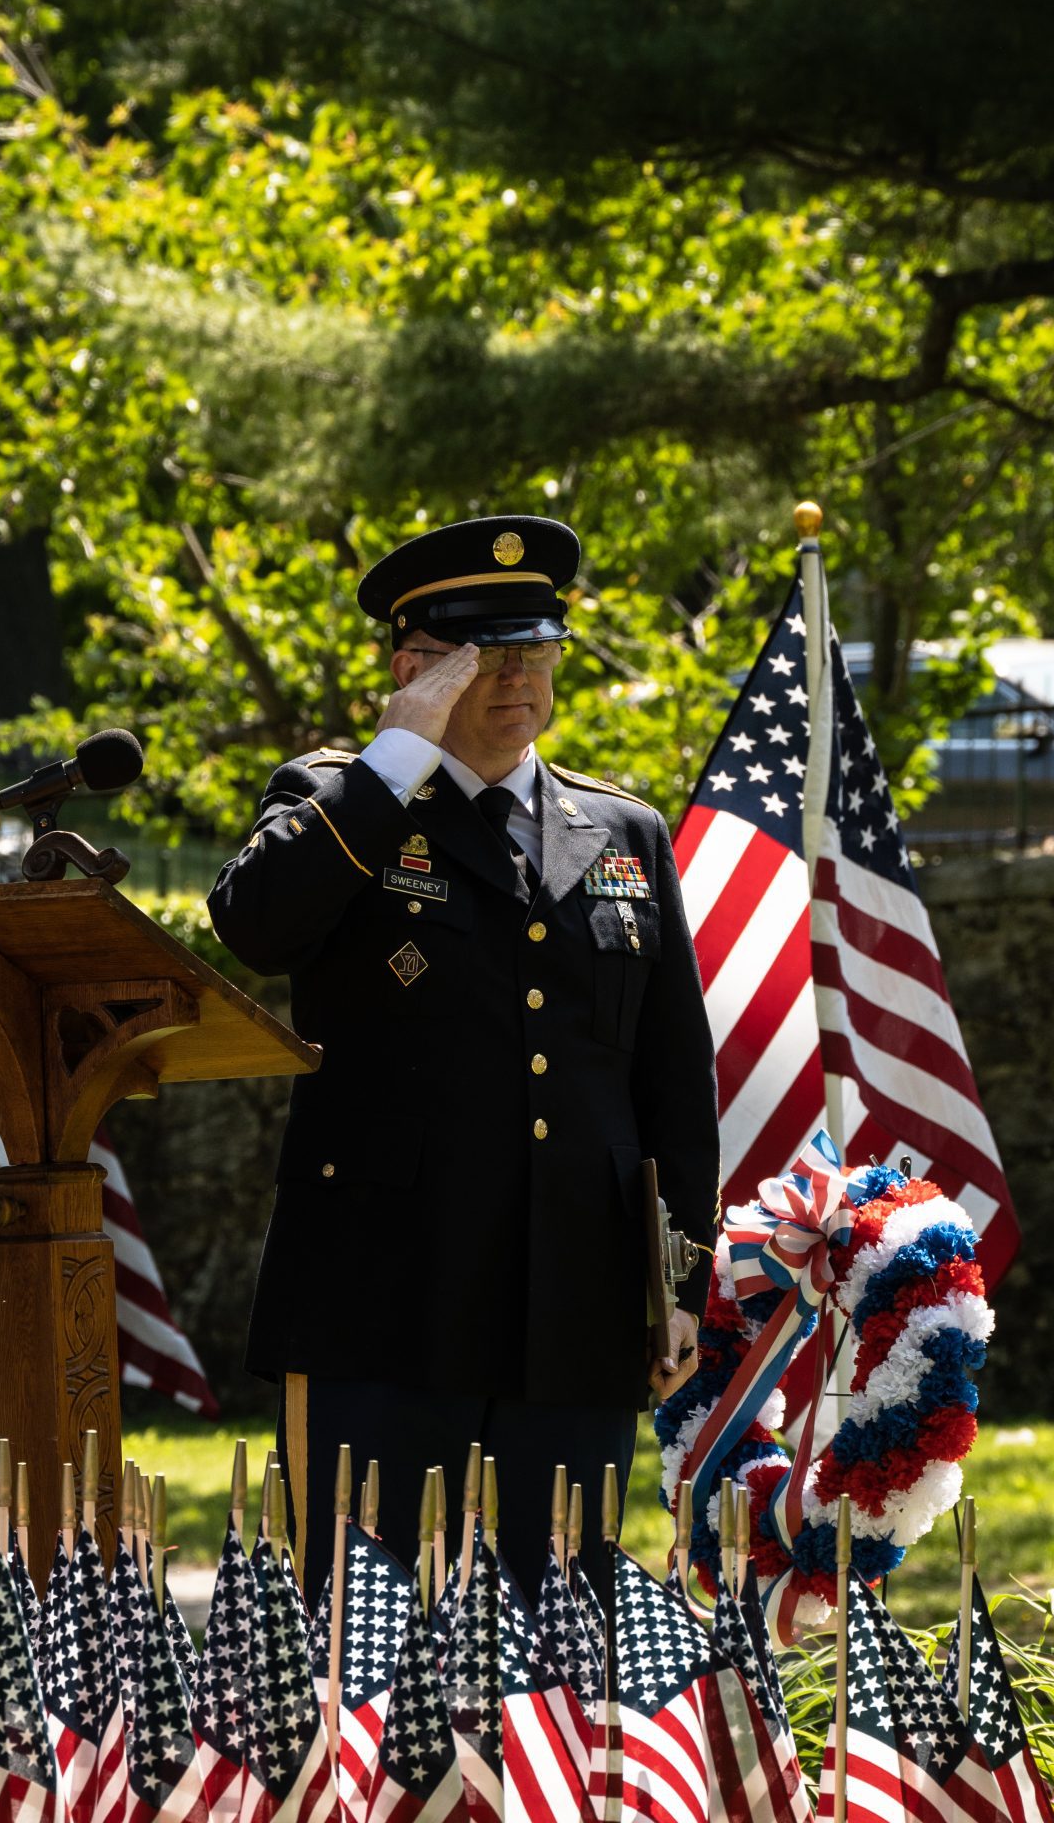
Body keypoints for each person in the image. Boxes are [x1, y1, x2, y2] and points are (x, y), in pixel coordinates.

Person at [207, 514, 719, 1610]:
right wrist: (394, 753)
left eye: (535, 651)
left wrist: (676, 1284)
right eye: (485, 657)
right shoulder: (342, 798)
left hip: (571, 1302)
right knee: (364, 1625)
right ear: (415, 667)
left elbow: (673, 1082)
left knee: (557, 1629)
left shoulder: (621, 831)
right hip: (384, 1297)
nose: (516, 679)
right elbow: (253, 925)